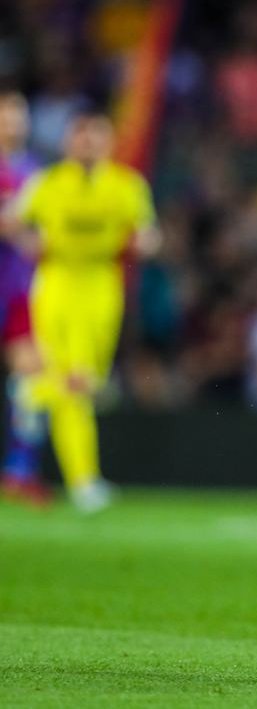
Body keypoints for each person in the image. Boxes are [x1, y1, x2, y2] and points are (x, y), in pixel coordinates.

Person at [6, 112, 159, 511]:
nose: (87, 144)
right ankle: (84, 482)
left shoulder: (126, 185)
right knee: (76, 382)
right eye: (81, 137)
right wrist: (28, 240)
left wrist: (146, 242)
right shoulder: (48, 183)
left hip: (102, 284)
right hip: (57, 282)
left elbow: (147, 230)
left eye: (95, 138)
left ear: (108, 144)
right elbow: (10, 220)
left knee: (84, 383)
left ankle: (32, 392)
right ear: (69, 143)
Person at [0, 92, 48, 505]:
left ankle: (19, 469)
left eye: (20, 117)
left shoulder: (36, 171)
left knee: (31, 377)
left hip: (19, 288)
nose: (13, 124)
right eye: (6, 117)